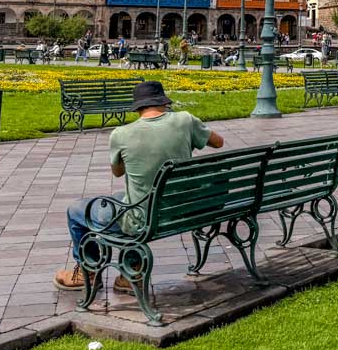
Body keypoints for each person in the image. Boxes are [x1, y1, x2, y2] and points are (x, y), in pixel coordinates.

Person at [55, 81, 225, 291]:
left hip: (144, 219)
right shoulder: (186, 120)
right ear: (164, 102)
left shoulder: (121, 134)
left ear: (137, 107)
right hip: (181, 210)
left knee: (77, 210)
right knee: (123, 198)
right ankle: (130, 271)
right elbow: (218, 142)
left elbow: (118, 172)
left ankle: (88, 271)